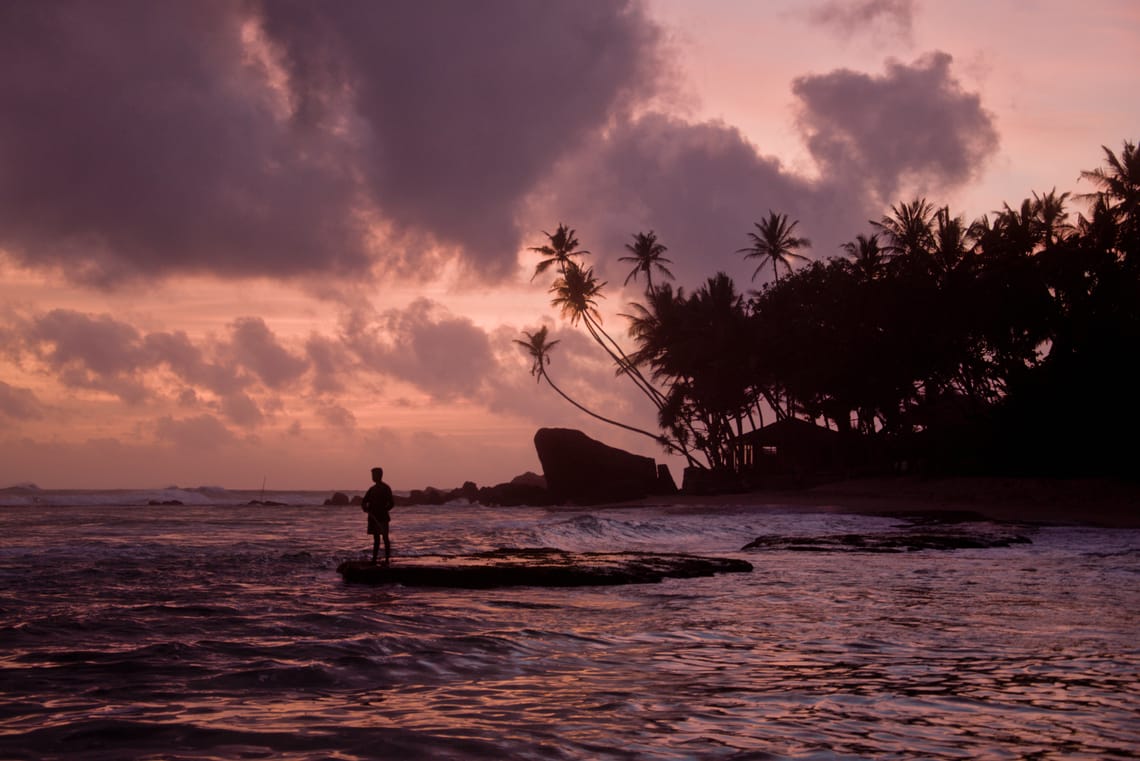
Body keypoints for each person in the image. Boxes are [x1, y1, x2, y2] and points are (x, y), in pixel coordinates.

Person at [361, 466, 395, 565]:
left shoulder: (386, 488)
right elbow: (364, 501)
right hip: (373, 518)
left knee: (385, 538)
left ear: (379, 475)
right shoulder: (372, 489)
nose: (372, 476)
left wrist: (384, 510)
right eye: (372, 474)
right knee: (376, 539)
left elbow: (391, 503)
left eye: (374, 474)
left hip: (383, 518)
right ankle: (374, 559)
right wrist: (366, 509)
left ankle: (387, 559)